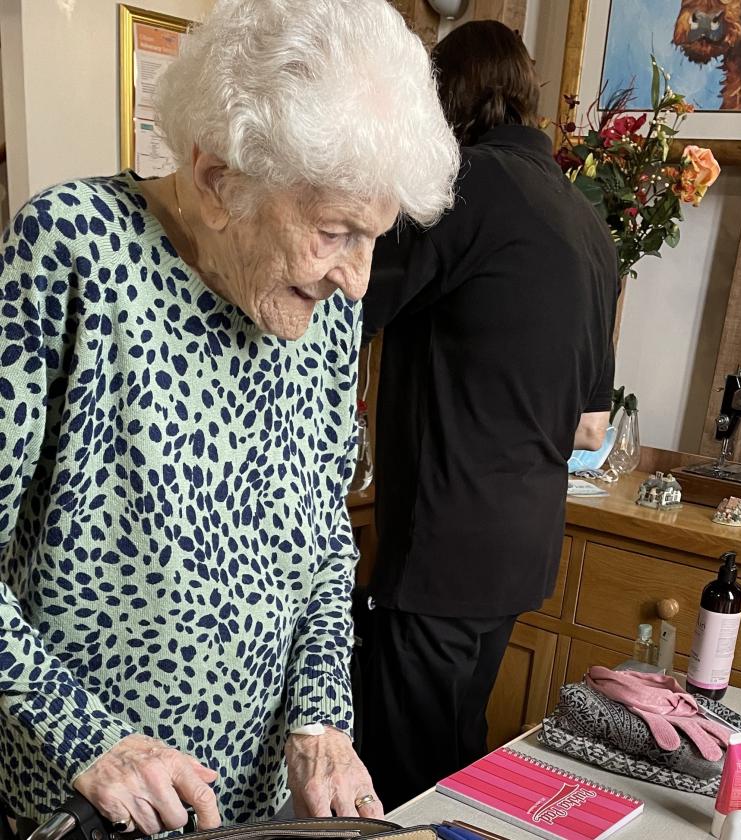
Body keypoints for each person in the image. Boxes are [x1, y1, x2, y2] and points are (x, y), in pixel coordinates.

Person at [0, 0, 459, 834]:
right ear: (219, 181)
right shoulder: (73, 251)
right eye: (334, 233)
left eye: (374, 239)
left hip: (249, 809)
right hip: (93, 803)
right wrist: (90, 739)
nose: (357, 280)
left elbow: (324, 541)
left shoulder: (322, 311)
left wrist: (320, 722)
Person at [359, 20, 618, 810]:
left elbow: (339, 297)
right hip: (522, 548)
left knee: (399, 781)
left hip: (444, 544)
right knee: (455, 763)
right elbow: (590, 428)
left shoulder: (465, 191)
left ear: (447, 103)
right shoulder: (587, 223)